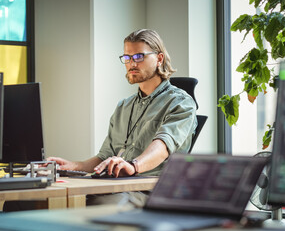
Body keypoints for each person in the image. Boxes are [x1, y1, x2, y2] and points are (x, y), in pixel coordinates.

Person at [48, 29, 197, 179]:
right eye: (127, 57)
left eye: (139, 57)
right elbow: (104, 157)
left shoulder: (181, 103)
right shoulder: (123, 106)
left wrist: (133, 166)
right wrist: (73, 166)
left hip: (150, 188)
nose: (132, 63)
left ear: (159, 59)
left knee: (91, 201)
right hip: (117, 184)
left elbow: (163, 146)